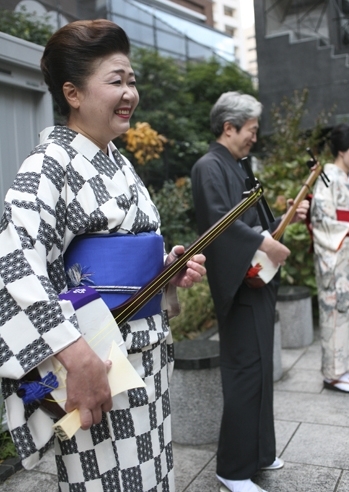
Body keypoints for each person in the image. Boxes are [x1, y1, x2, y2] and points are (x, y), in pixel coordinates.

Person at [0, 20, 206, 491]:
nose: (130, 92)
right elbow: (13, 264)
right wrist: (75, 356)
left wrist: (166, 273)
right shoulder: (48, 165)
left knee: (153, 473)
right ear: (72, 93)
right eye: (116, 80)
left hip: (145, 356)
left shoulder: (119, 161)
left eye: (131, 81)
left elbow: (131, 255)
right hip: (97, 364)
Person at [191, 91, 308, 492]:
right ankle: (233, 468)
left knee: (260, 373)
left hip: (256, 277)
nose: (254, 138)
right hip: (238, 281)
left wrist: (287, 217)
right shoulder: (208, 167)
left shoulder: (240, 166)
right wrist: (263, 244)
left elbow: (261, 223)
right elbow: (218, 225)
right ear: (229, 127)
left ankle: (259, 453)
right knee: (244, 372)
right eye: (251, 130)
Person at [310, 123, 349, 393]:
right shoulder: (325, 177)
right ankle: (332, 374)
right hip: (335, 256)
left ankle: (345, 369)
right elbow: (320, 218)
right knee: (335, 312)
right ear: (343, 149)